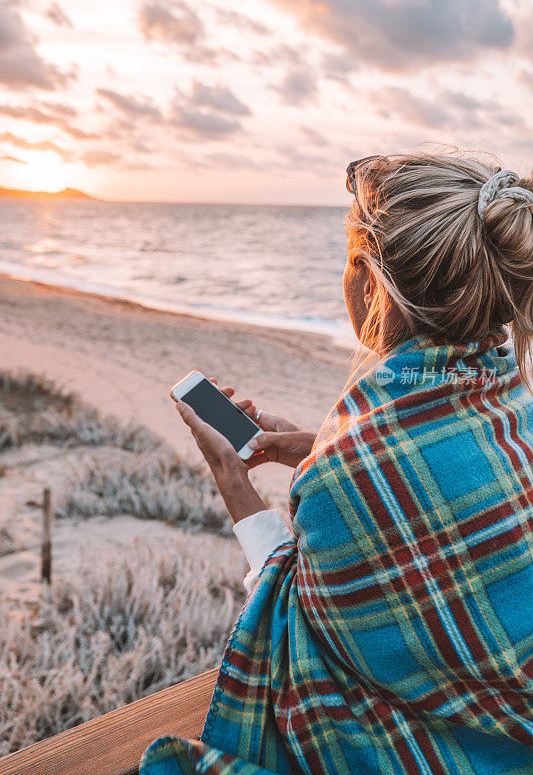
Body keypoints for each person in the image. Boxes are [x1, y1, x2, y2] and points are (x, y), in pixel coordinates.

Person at [140, 152, 533, 775]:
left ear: (370, 279)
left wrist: (234, 485)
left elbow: (292, 626)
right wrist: (322, 443)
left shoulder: (351, 474)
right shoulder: (513, 407)